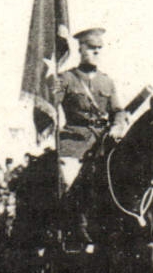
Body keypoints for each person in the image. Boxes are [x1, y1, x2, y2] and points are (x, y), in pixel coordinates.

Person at [54, 27, 127, 244]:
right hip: (75, 142)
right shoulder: (66, 78)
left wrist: (117, 127)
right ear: (81, 48)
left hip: (104, 141)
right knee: (69, 179)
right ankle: (74, 224)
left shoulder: (107, 81)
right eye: (91, 48)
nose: (96, 52)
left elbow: (118, 111)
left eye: (99, 49)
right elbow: (51, 106)